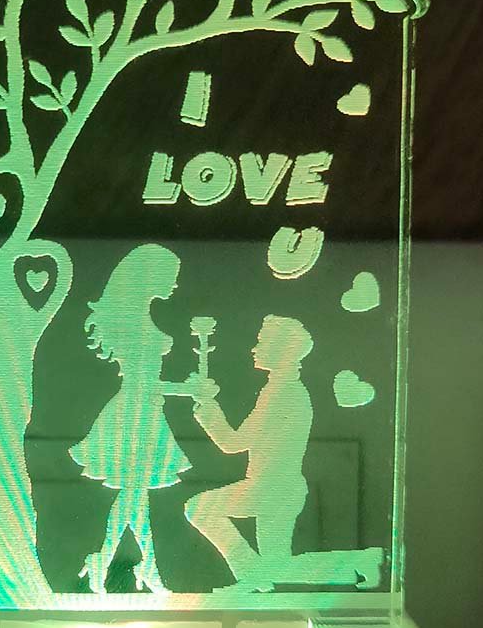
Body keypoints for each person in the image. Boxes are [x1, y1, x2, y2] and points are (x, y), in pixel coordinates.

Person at [70, 244, 195, 594]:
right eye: (171, 276)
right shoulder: (134, 324)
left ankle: (111, 560)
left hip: (143, 414)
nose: (175, 284)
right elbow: (143, 383)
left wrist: (186, 389)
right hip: (134, 417)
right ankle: (143, 567)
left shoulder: (136, 319)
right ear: (149, 276)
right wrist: (188, 389)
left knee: (133, 498)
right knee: (134, 497)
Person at [185, 315, 314, 588]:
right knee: (278, 568)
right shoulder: (288, 390)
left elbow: (232, 443)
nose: (255, 349)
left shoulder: (281, 394)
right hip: (284, 490)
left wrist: (207, 408)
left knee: (198, 509)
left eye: (262, 342)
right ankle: (257, 577)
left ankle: (252, 573)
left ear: (282, 350)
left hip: (270, 490)